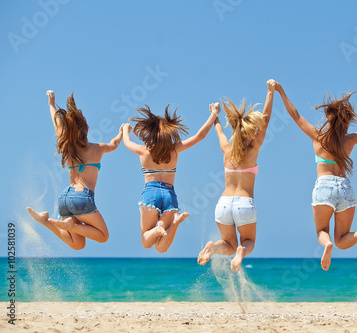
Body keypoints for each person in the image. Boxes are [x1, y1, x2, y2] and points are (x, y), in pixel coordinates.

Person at [276, 83, 357, 270]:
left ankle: (326, 244)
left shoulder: (318, 137)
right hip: (345, 187)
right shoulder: (350, 140)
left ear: (329, 118)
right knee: (342, 239)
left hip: (324, 187)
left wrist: (280, 91)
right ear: (346, 121)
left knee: (322, 232)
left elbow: (295, 115)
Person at [27, 90, 123, 250]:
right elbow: (114, 144)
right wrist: (121, 133)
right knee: (103, 236)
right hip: (81, 198)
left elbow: (58, 124)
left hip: (65, 199)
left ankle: (46, 220)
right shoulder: (97, 148)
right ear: (86, 129)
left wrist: (51, 104)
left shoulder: (67, 147)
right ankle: (71, 226)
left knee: (78, 244)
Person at [198, 79, 277, 271]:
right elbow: (265, 122)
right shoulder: (253, 150)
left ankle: (213, 247)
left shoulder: (226, 149)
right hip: (244, 204)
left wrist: (214, 114)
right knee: (247, 242)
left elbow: (217, 129)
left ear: (233, 129)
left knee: (228, 245)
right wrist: (270, 92)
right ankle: (241, 252)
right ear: (249, 131)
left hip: (223, 204)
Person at [123, 104, 220, 253]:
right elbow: (200, 136)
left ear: (151, 133)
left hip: (151, 193)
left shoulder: (143, 151)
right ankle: (174, 222)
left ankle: (159, 229)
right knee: (161, 248)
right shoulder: (174, 150)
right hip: (169, 195)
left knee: (145, 242)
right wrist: (214, 114)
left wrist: (125, 130)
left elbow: (127, 142)